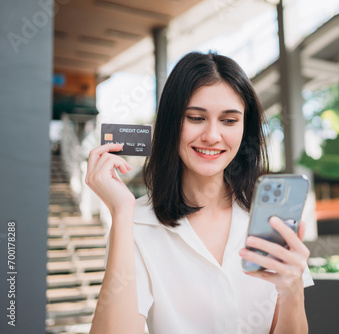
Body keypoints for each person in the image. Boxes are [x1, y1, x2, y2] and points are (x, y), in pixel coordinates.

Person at [85, 51, 314, 334]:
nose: (212, 136)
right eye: (195, 118)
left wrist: (293, 292)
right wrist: (120, 213)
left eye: (229, 121)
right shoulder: (135, 225)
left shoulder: (270, 218)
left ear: (245, 129)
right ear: (171, 124)